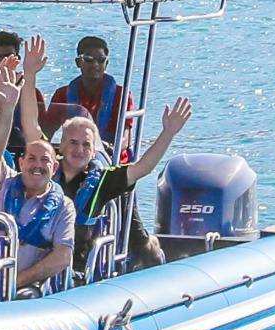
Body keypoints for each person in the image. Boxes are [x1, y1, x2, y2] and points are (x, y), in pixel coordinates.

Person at [58, 96, 195, 276]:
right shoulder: (45, 172)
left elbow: (143, 168)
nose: (79, 150)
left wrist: (168, 132)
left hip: (74, 268)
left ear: (93, 152)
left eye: (86, 145)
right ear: (61, 145)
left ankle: (151, 248)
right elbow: (31, 133)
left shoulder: (102, 180)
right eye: (73, 142)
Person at [4, 133, 81, 294]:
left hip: (28, 289)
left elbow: (63, 256)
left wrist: (17, 281)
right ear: (21, 163)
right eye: (31, 158)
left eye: (45, 160)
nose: (38, 165)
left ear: (55, 167)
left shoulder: (64, 207)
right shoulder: (1, 187)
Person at [46, 34, 129, 150]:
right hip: (75, 154)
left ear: (106, 63)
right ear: (78, 62)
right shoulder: (62, 94)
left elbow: (124, 140)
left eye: (101, 60)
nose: (95, 64)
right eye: (89, 59)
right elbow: (46, 134)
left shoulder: (122, 96)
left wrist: (106, 148)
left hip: (111, 156)